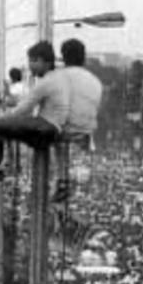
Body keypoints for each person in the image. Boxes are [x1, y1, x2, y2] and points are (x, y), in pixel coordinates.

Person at [0, 40, 67, 186]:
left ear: (44, 61)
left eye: (32, 61)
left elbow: (24, 108)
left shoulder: (45, 82)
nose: (30, 66)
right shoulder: (57, 78)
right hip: (53, 128)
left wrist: (3, 120)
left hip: (47, 127)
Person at [50, 38, 102, 202]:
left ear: (63, 57)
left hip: (64, 128)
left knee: (55, 140)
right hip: (86, 130)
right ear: (83, 57)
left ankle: (61, 179)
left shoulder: (57, 76)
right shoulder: (94, 80)